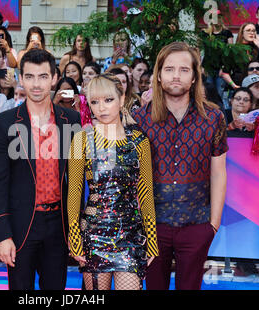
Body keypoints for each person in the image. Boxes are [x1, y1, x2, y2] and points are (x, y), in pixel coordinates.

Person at [131, 42, 228, 290]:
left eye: (184, 70)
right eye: (169, 69)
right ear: (159, 76)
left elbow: (218, 172)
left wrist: (213, 224)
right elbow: (132, 175)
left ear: (195, 77)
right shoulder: (140, 118)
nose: (176, 75)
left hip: (197, 223)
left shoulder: (213, 118)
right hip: (152, 226)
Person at [0, 49, 82, 290]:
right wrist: (2, 235)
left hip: (58, 225)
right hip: (20, 226)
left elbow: (76, 180)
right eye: (29, 77)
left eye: (42, 76)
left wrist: (75, 228)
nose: (36, 84)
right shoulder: (4, 123)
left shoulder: (71, 120)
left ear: (54, 78)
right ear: (21, 79)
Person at [67, 73, 158, 290]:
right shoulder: (82, 139)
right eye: (94, 102)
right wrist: (75, 237)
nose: (101, 108)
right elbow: (74, 193)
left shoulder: (139, 141)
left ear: (122, 98)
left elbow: (145, 194)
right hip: (94, 235)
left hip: (130, 236)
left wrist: (152, 241)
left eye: (108, 100)